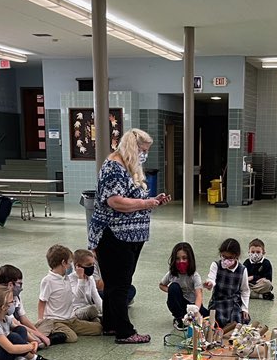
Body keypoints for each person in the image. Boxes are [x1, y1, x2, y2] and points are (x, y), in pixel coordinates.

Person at [88, 128, 169, 345]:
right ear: (133, 148)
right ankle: (125, 332)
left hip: (128, 236)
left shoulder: (127, 167)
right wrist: (146, 203)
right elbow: (115, 201)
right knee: (120, 284)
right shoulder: (114, 167)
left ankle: (111, 324)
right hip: (114, 235)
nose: (145, 155)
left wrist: (153, 200)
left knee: (116, 282)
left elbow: (130, 196)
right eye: (143, 150)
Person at [0, 287, 57, 360]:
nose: (14, 303)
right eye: (11, 302)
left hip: (6, 353)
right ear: (3, 307)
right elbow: (10, 348)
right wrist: (30, 346)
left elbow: (19, 328)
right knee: (13, 337)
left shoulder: (5, 318)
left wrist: (34, 340)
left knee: (20, 329)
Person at [37, 244, 103, 343]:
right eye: (70, 262)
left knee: (98, 329)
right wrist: (40, 319)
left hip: (71, 319)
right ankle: (50, 335)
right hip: (56, 320)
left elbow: (76, 296)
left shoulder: (66, 278)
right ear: (63, 263)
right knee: (72, 338)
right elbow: (42, 301)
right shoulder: (48, 280)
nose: (71, 266)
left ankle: (65, 329)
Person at [0, 264, 60, 347]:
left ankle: (37, 342)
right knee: (21, 333)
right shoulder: (1, 299)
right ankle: (34, 344)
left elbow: (23, 318)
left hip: (19, 326)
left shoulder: (16, 296)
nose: (21, 288)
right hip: (8, 331)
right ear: (10, 285)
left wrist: (38, 333)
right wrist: (38, 336)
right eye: (19, 284)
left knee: (48, 322)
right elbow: (15, 324)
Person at [204, 238, 250, 328]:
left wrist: (245, 309)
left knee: (237, 322)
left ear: (236, 256)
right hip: (217, 301)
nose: (226, 260)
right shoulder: (216, 265)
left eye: (230, 258)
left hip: (234, 302)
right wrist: (210, 284)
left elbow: (245, 291)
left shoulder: (242, 270)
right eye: (224, 256)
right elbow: (211, 278)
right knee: (218, 320)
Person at [159, 242, 203, 330]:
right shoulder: (172, 274)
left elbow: (199, 295)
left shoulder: (194, 276)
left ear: (190, 259)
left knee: (207, 317)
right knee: (174, 286)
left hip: (191, 305)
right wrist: (173, 292)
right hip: (178, 303)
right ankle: (179, 318)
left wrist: (195, 310)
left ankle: (189, 317)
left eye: (184, 258)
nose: (181, 261)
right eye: (178, 259)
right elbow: (161, 285)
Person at [68, 249, 104, 326]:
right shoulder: (70, 279)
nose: (91, 267)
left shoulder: (90, 278)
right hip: (76, 311)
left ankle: (96, 320)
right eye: (88, 265)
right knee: (93, 309)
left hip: (87, 307)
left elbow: (96, 297)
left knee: (103, 307)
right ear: (77, 266)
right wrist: (81, 279)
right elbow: (79, 297)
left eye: (93, 264)